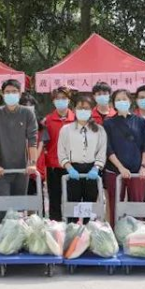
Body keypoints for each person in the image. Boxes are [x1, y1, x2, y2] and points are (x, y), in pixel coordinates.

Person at [0, 79, 38, 222]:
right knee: (3, 207)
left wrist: (32, 163)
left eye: (14, 92)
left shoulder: (27, 113)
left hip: (21, 169)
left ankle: (17, 235)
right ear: (2, 94)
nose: (11, 94)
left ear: (20, 94)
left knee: (18, 208)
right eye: (8, 92)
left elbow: (32, 139)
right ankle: (0, 233)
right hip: (1, 170)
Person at [103, 89, 145, 226]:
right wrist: (120, 167)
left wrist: (143, 166)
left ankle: (139, 234)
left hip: (137, 171)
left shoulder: (140, 121)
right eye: (118, 100)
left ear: (130, 101)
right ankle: (114, 233)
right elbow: (108, 148)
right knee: (114, 206)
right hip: (115, 171)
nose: (122, 102)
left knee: (138, 206)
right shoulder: (108, 123)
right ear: (113, 103)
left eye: (124, 99)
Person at [58, 94, 107, 223]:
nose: (83, 111)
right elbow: (61, 151)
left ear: (92, 110)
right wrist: (69, 168)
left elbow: (102, 151)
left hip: (92, 171)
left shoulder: (100, 130)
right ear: (74, 109)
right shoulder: (66, 129)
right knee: (73, 206)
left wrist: (96, 168)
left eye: (86, 108)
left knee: (89, 207)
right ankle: (72, 230)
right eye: (80, 108)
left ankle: (88, 230)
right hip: (73, 170)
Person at [42, 87, 76, 221]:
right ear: (53, 101)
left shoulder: (77, 119)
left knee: (73, 199)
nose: (60, 101)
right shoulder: (47, 120)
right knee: (54, 200)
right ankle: (55, 227)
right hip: (53, 166)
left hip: (73, 166)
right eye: (57, 98)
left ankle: (73, 226)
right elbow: (43, 144)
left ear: (69, 100)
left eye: (64, 98)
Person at [19, 93, 47, 197]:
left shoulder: (40, 124)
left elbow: (41, 144)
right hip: (21, 163)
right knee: (22, 195)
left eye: (30, 105)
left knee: (36, 195)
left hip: (36, 164)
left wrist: (32, 161)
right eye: (25, 105)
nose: (28, 107)